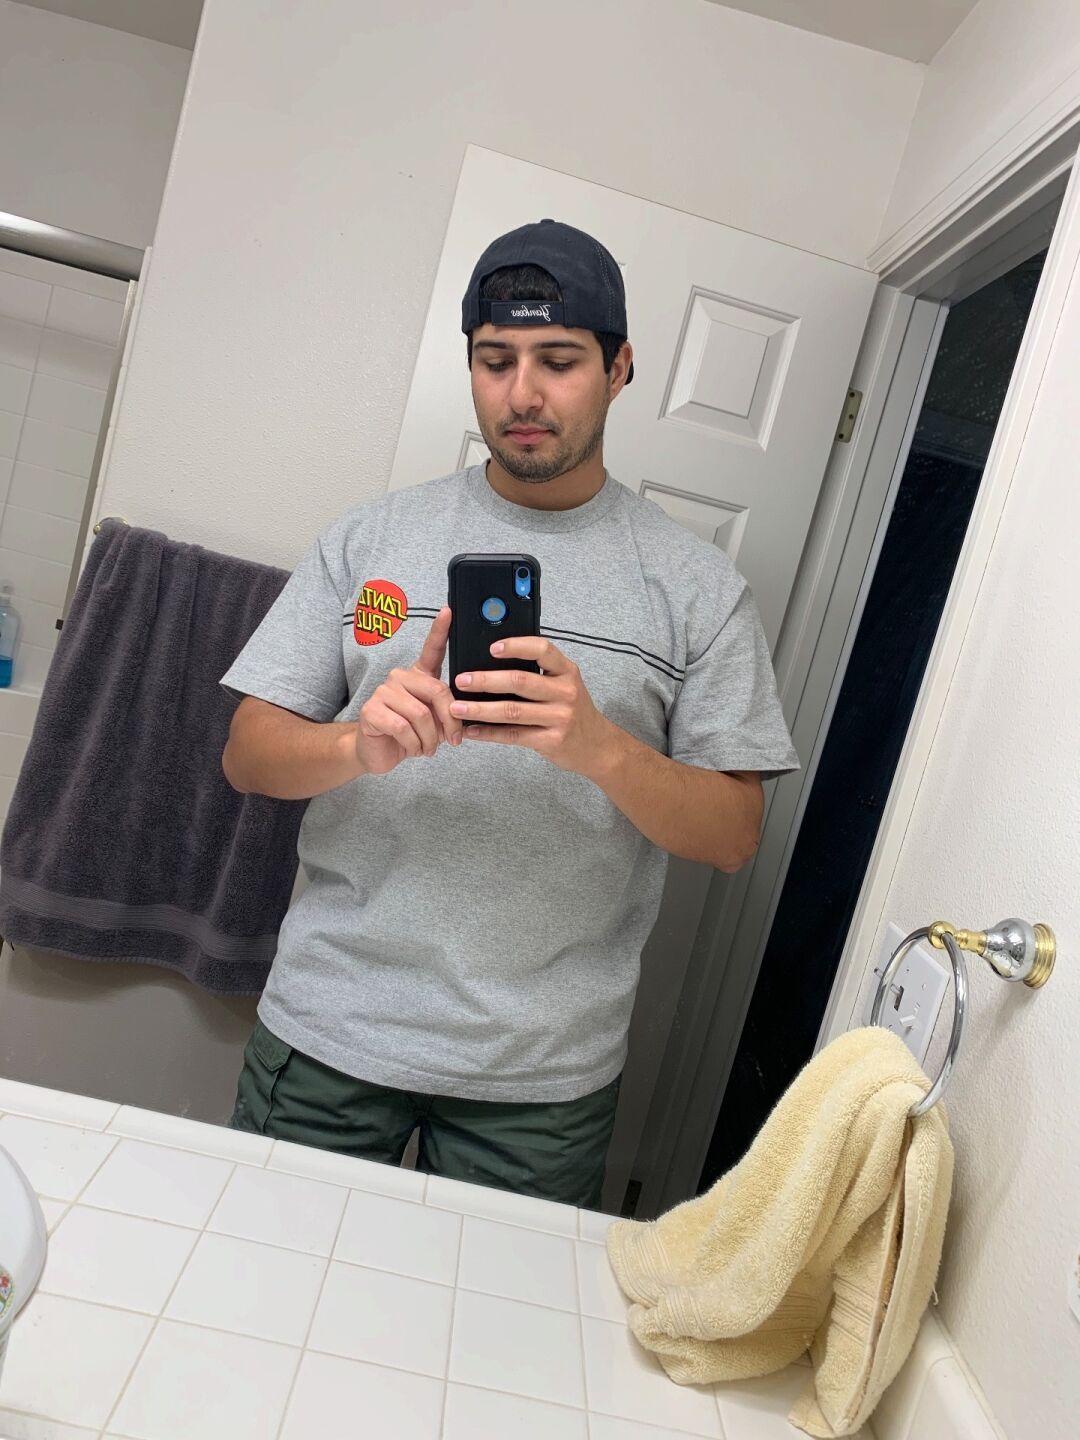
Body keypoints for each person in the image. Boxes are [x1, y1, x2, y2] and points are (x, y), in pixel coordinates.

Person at [220, 219, 799, 1208]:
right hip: (330, 1028)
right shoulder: (371, 539)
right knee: (271, 1274)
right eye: (496, 360)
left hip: (542, 1078)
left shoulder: (696, 589)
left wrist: (601, 748)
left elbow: (735, 834)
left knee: (496, 1310)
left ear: (619, 369)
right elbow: (247, 755)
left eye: (558, 361)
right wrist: (358, 744)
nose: (523, 394)